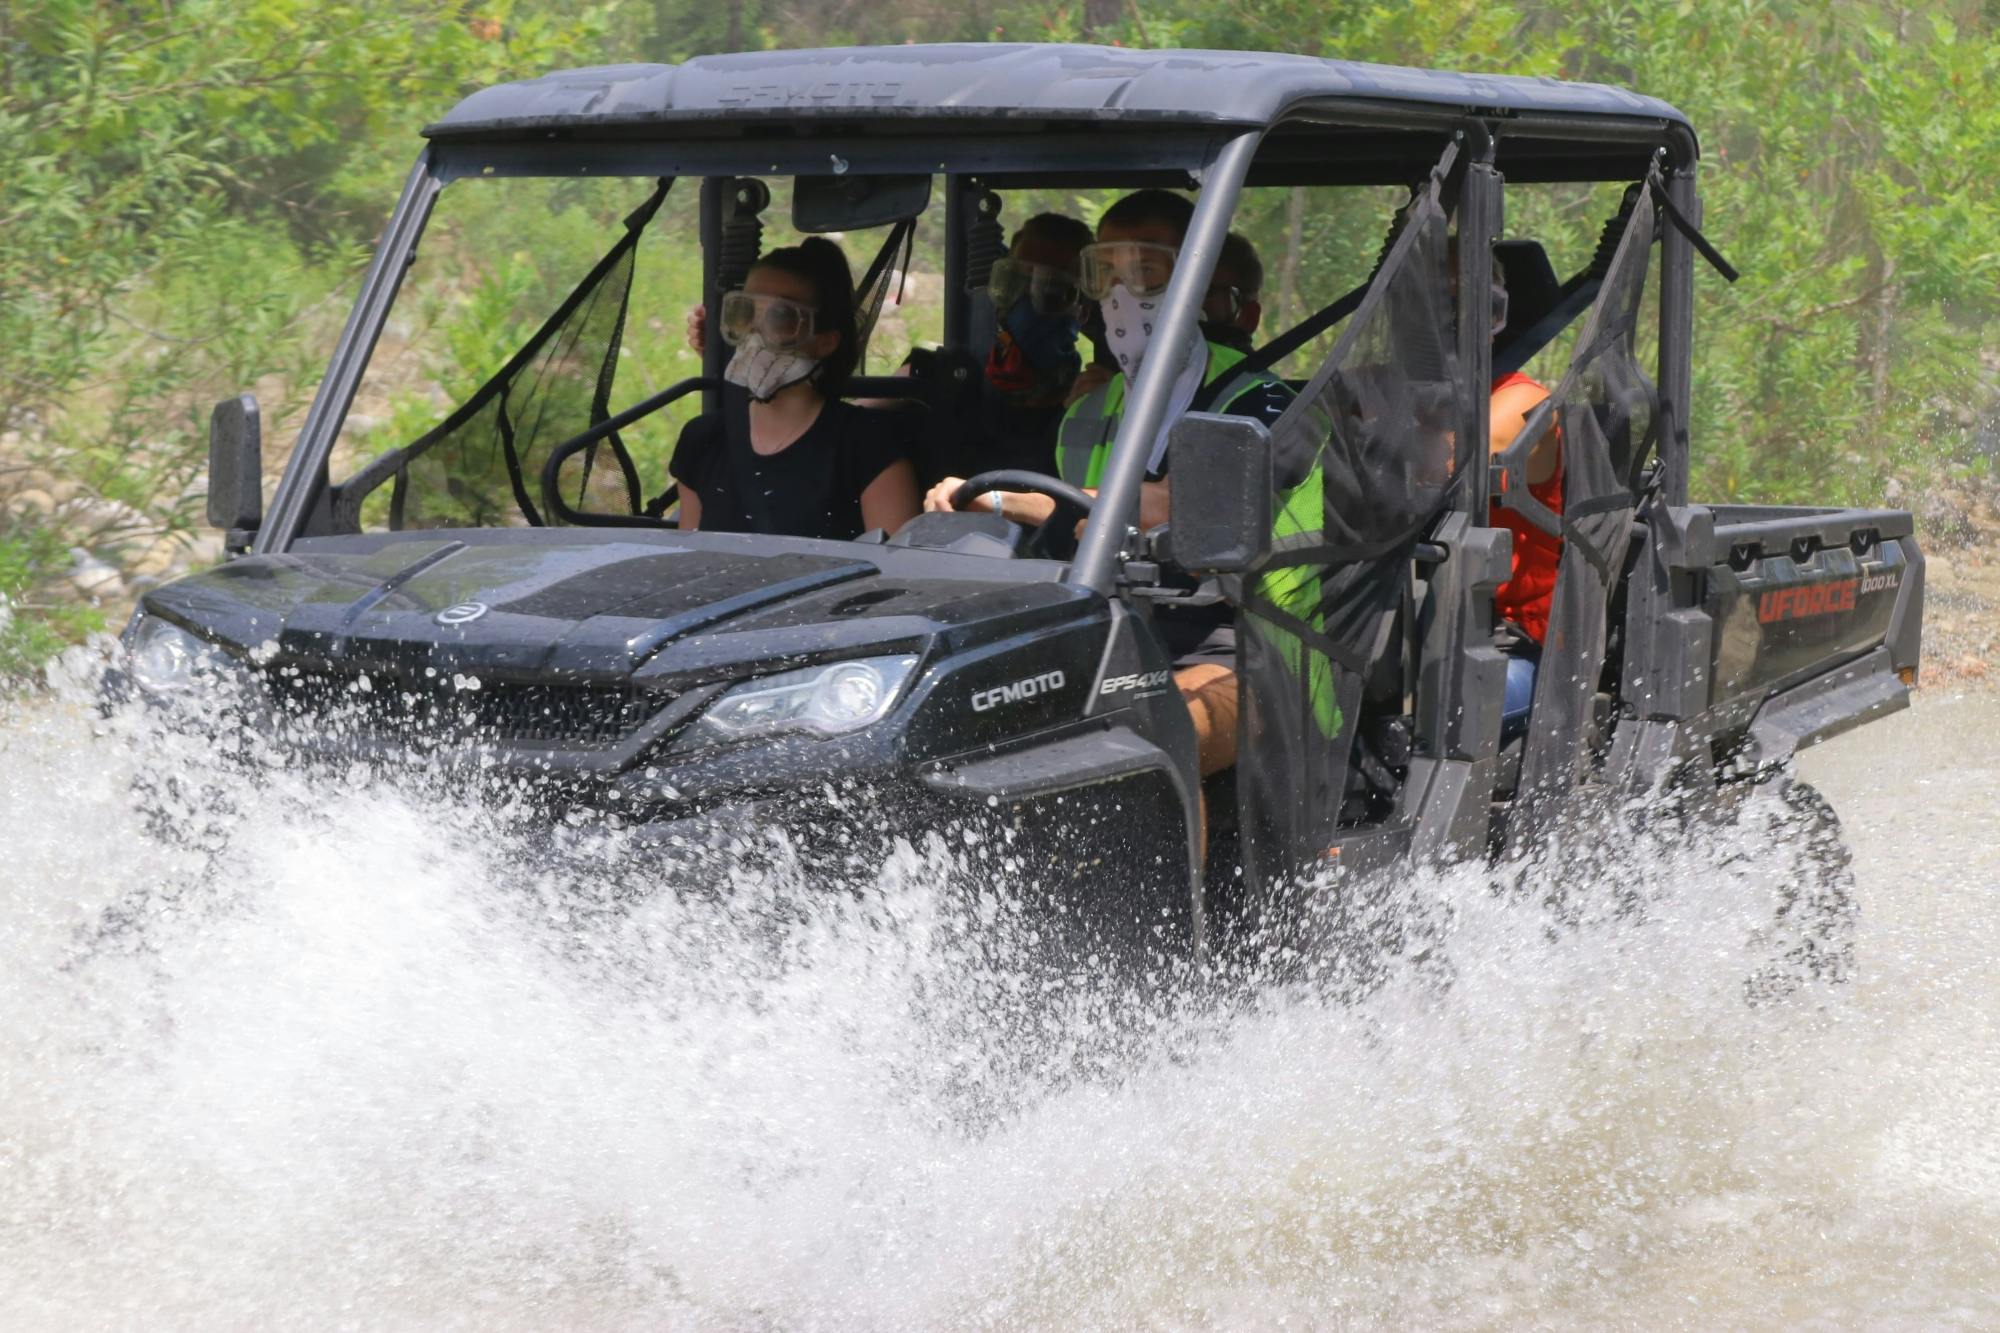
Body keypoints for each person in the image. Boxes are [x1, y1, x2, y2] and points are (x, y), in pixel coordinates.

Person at [923, 189, 1292, 785]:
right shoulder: (1090, 409)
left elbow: (1175, 507)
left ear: (1198, 278)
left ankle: (1159, 884)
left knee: (1152, 733)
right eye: (1106, 273)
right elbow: (1076, 530)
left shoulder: (1265, 402)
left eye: (1145, 272)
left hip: (1256, 647)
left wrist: (997, 496)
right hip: (1113, 632)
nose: (1122, 294)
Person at [671, 238, 921, 541]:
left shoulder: (868, 450)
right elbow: (689, 563)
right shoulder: (703, 442)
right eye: (745, 312)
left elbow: (898, 574)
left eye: (780, 317)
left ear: (825, 341)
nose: (755, 332)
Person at [1485, 253, 1562, 738]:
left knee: (1447, 716)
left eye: (1458, 295)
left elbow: (1441, 466)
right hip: (1409, 642)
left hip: (1511, 648)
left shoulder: (1522, 402)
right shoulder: (1398, 389)